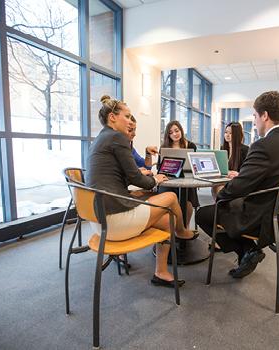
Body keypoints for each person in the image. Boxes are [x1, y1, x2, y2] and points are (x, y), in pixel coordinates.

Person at [85, 95, 197, 288]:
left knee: (165, 219)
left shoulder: (101, 139)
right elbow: (138, 180)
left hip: (99, 223)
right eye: (127, 117)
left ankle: (160, 272)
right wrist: (155, 179)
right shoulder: (116, 137)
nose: (130, 122)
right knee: (170, 197)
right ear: (112, 117)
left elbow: (124, 175)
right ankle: (181, 231)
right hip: (114, 222)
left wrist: (144, 177)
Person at [196, 91, 279, 279]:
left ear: (265, 116)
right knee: (227, 206)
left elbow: (238, 188)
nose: (254, 121)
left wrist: (221, 194)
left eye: (255, 116)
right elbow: (275, 178)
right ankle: (248, 252)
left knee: (204, 214)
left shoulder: (263, 145)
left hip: (259, 219)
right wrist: (244, 175)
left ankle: (247, 250)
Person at [160, 120, 199, 227]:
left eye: (176, 131)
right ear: (168, 135)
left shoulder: (191, 145)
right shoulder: (164, 147)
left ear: (181, 130)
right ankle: (170, 229)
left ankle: (183, 229)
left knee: (187, 202)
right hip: (169, 180)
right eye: (171, 133)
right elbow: (160, 166)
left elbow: (194, 165)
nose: (174, 134)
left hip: (188, 179)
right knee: (166, 200)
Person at [212, 122, 250, 199]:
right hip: (223, 179)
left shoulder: (245, 150)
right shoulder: (223, 149)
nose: (227, 135)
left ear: (237, 135)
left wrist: (237, 174)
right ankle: (219, 208)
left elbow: (247, 171)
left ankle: (222, 208)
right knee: (215, 187)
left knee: (219, 188)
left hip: (236, 181)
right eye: (226, 132)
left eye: (231, 133)